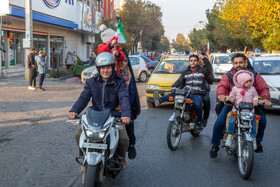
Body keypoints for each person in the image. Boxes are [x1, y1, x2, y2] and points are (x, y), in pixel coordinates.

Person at [68, 52, 131, 170]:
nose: (105, 70)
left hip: (113, 116)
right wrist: (74, 110)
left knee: (123, 138)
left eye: (108, 67)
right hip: (94, 115)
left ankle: (121, 158)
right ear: (98, 69)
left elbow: (124, 98)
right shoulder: (91, 82)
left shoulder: (120, 82)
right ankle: (84, 158)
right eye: (102, 68)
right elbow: (84, 97)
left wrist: (126, 114)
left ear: (112, 67)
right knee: (78, 134)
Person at [210, 53, 271, 158]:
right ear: (233, 64)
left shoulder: (254, 75)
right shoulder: (228, 76)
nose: (238, 65)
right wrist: (221, 95)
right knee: (220, 121)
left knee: (262, 120)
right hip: (232, 105)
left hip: (251, 105)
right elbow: (222, 86)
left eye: (240, 62)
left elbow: (263, 88)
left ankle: (258, 141)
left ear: (245, 63)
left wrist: (265, 99)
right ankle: (215, 145)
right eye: (236, 63)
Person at [153, 54, 214, 130]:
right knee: (175, 93)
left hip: (197, 93)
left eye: (195, 61)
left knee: (198, 104)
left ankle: (199, 122)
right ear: (189, 62)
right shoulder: (185, 72)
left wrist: (204, 58)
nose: (193, 62)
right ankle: (160, 100)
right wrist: (173, 87)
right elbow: (179, 81)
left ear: (197, 62)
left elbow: (209, 69)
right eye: (191, 61)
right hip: (187, 92)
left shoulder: (202, 70)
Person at [225, 70, 258, 148]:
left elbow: (255, 96)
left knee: (253, 124)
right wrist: (232, 98)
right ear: (240, 81)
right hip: (237, 110)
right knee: (232, 121)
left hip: (249, 111)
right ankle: (229, 136)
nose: (249, 83)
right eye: (247, 82)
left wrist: (255, 100)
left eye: (250, 81)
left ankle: (254, 139)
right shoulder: (235, 89)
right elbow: (231, 95)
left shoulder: (252, 89)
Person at [115, 56, 138, 159]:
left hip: (125, 105)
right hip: (111, 106)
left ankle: (131, 146)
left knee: (129, 122)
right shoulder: (111, 72)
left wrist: (124, 106)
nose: (122, 63)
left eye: (125, 61)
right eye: (120, 60)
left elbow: (131, 93)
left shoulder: (129, 76)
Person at [198, 51, 213, 127]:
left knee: (206, 100)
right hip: (192, 88)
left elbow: (209, 71)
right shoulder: (191, 68)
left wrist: (204, 59)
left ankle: (205, 118)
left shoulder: (206, 69)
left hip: (204, 89)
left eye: (201, 60)